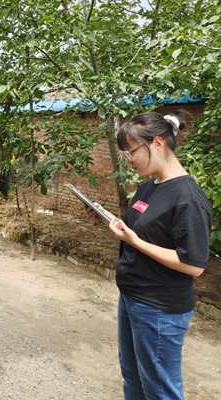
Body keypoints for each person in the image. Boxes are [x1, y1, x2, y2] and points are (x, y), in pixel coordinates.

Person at [86, 112, 212, 400]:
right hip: (133, 297)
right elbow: (142, 230)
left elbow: (194, 265)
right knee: (133, 379)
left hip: (159, 309)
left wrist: (135, 241)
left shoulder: (188, 198)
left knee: (160, 391)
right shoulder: (150, 186)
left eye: (131, 152)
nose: (129, 160)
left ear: (157, 143)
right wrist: (109, 219)